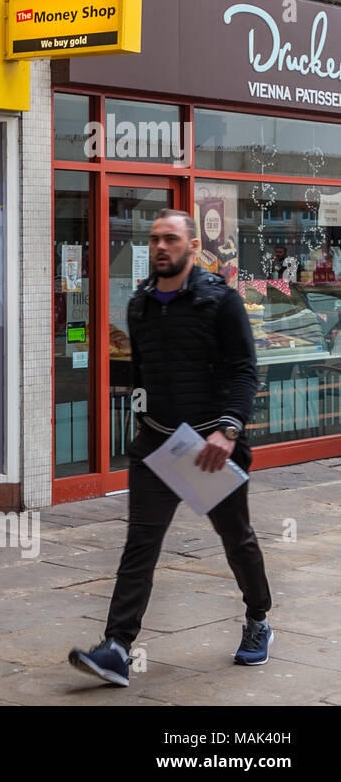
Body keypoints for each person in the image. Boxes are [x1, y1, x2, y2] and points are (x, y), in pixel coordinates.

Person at [68, 209, 273, 686]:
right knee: (140, 543)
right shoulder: (139, 304)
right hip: (158, 442)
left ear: (191, 244)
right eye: (156, 239)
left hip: (208, 446)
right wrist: (140, 420)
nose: (162, 246)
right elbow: (142, 371)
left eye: (171, 239)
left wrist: (228, 430)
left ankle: (258, 618)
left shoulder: (220, 301)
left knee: (236, 540)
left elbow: (245, 369)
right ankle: (117, 647)